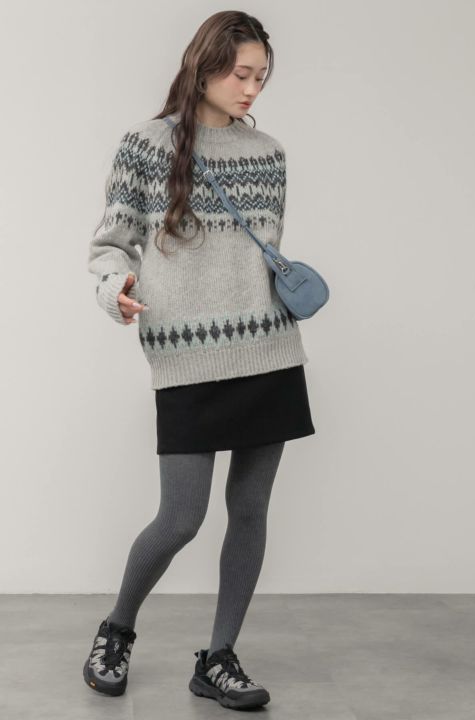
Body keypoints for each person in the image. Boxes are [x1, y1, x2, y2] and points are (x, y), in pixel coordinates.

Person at [83, 10, 316, 711]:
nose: (252, 89)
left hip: (269, 353)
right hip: (186, 357)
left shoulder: (269, 153)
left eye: (262, 78)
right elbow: (111, 243)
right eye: (242, 74)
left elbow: (259, 255)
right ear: (204, 65)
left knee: (250, 512)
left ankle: (218, 659)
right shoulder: (146, 145)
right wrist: (115, 289)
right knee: (181, 518)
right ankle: (117, 630)